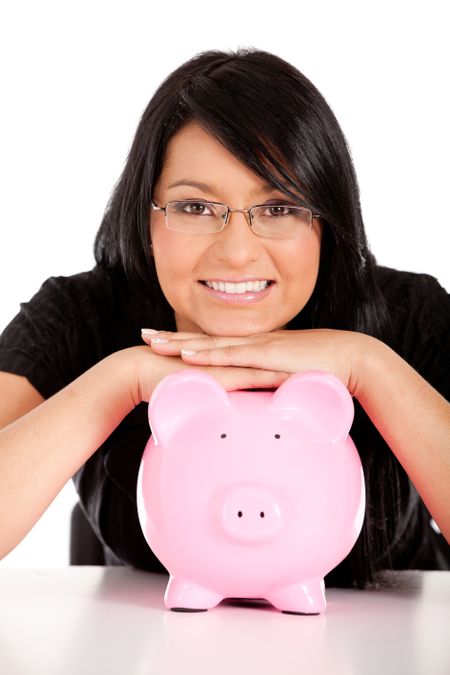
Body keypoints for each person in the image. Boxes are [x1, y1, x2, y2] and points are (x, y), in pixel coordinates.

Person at [0, 48, 448, 588]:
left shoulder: (409, 316)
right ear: (145, 218)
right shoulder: (82, 315)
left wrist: (368, 368)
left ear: (327, 222)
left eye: (280, 208)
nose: (237, 253)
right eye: (195, 208)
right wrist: (120, 382)